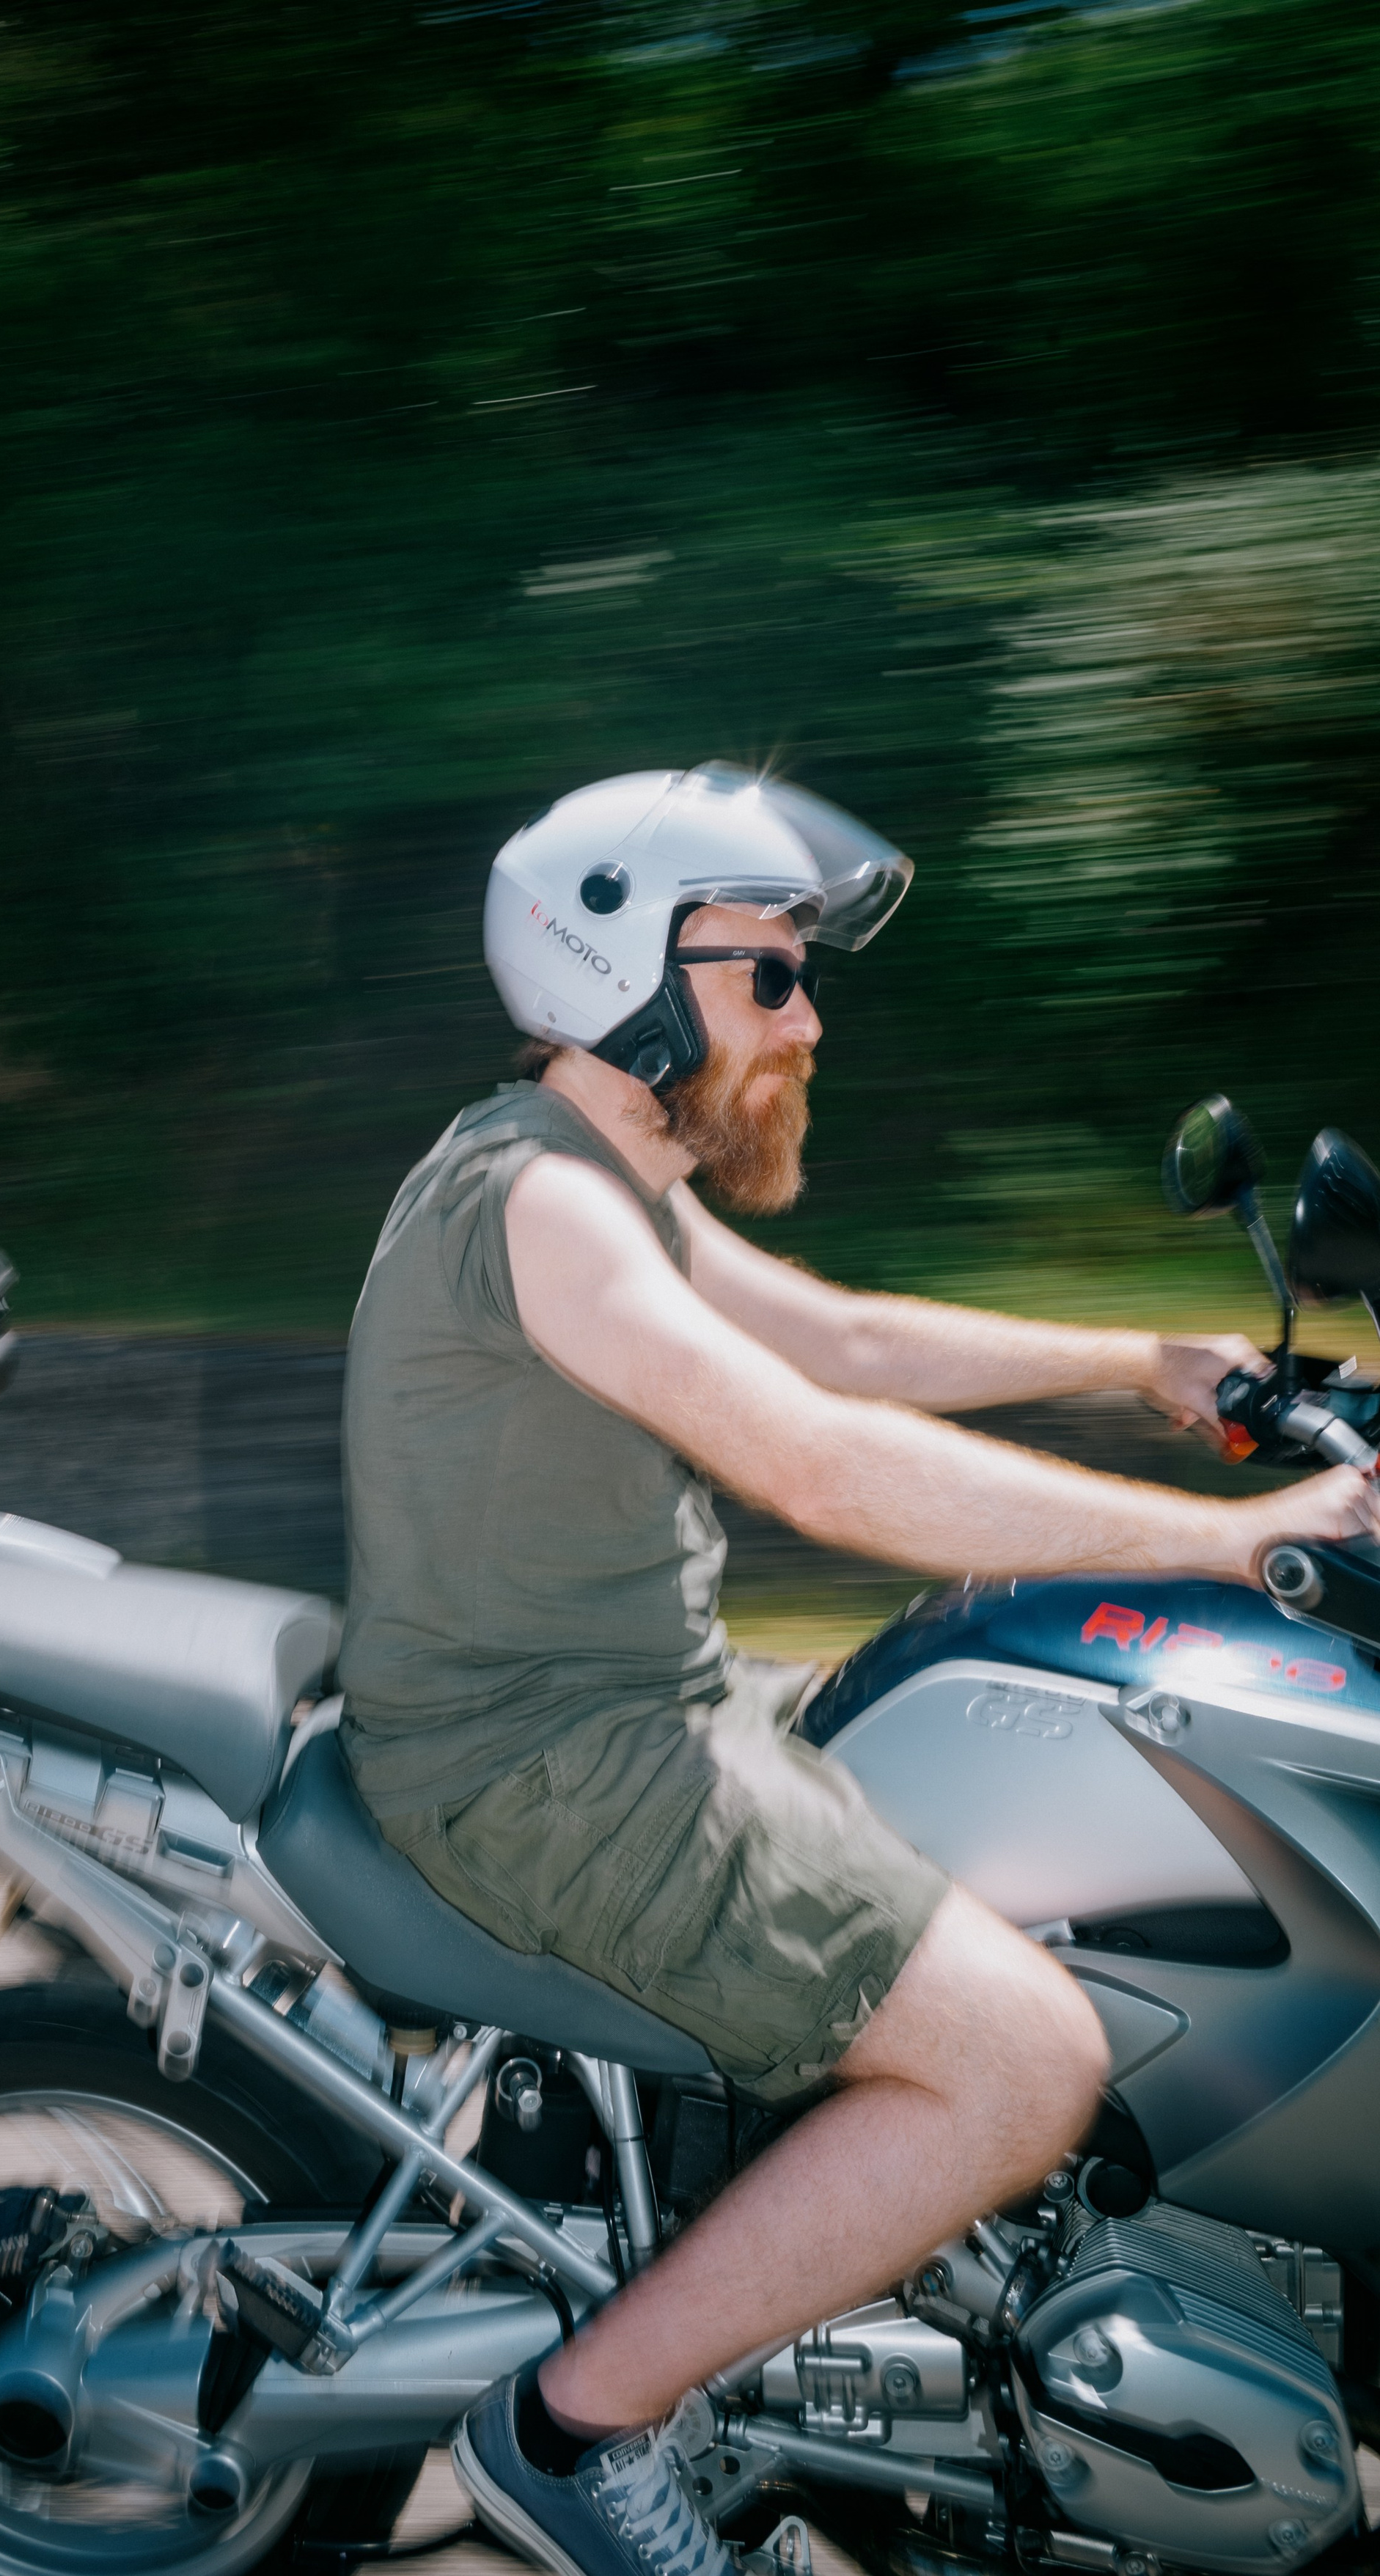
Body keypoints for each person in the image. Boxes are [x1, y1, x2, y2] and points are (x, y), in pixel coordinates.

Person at [333, 765, 1380, 2576]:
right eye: (767, 975)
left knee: (1020, 1805)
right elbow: (814, 1457)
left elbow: (832, 1333)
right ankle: (573, 2430)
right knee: (1019, 2058)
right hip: (543, 1762)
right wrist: (1226, 1534)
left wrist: (1146, 1362)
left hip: (627, 1703)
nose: (805, 1016)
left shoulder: (596, 1172)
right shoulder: (545, 1207)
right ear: (625, 974)